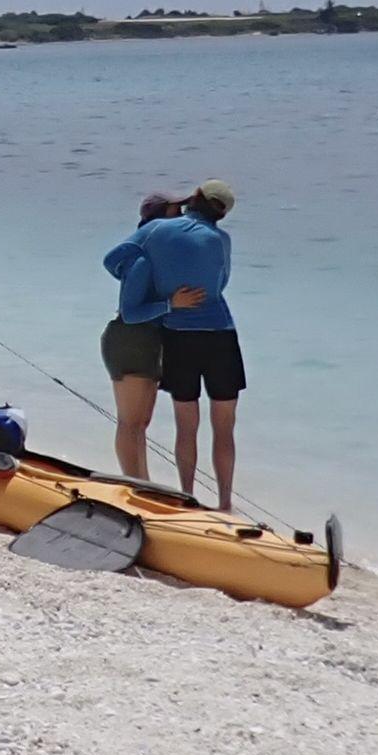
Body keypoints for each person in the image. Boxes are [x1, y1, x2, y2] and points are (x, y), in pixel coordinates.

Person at [103, 178, 243, 509]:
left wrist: (145, 278)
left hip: (178, 336)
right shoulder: (222, 239)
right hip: (220, 332)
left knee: (184, 425)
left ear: (196, 197)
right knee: (223, 427)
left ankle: (187, 497)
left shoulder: (155, 234)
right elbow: (221, 282)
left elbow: (112, 259)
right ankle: (224, 503)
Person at [98, 194, 207, 480]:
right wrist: (172, 304)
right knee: (130, 422)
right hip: (130, 340)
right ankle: (135, 483)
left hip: (150, 341)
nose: (183, 218)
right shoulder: (143, 261)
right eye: (177, 213)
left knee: (141, 423)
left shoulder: (161, 258)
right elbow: (131, 312)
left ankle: (142, 482)